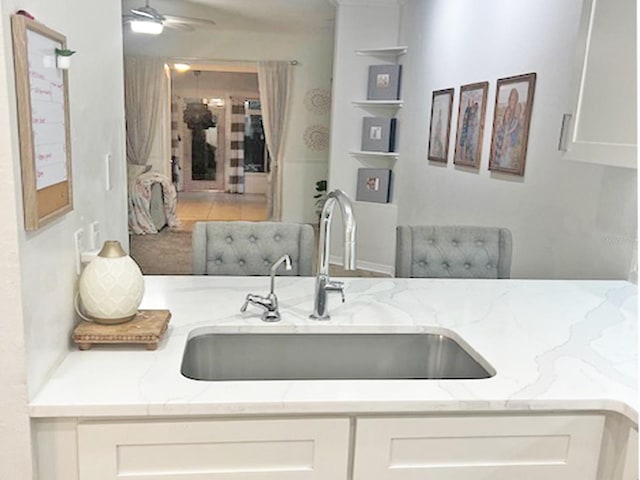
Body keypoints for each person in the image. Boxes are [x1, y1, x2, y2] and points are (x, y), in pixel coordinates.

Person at [493, 87, 523, 168]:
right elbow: (498, 131)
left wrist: (507, 142)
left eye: (514, 99)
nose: (512, 102)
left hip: (509, 149)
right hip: (499, 148)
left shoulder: (517, 120)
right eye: (511, 99)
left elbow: (516, 136)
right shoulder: (506, 112)